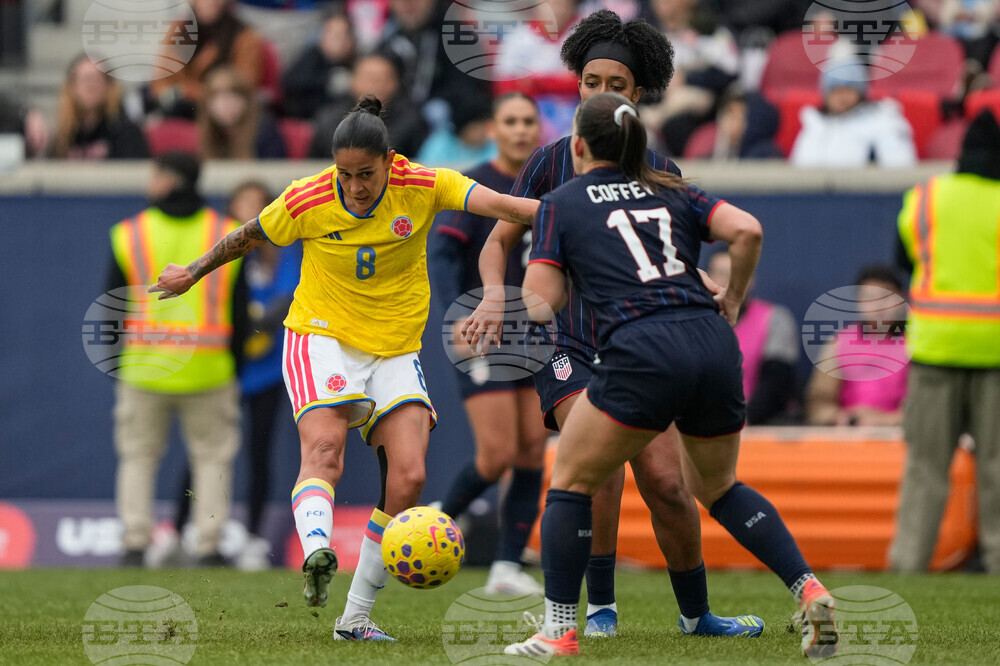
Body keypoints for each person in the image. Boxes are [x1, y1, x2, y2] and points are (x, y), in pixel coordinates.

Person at [148, 94, 542, 641]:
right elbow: (247, 236)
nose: (355, 186)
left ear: (390, 162)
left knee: (409, 476)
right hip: (321, 337)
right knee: (325, 451)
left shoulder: (424, 186)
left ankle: (355, 618)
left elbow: (505, 206)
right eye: (346, 173)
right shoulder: (307, 198)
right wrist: (192, 272)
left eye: (367, 173)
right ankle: (317, 552)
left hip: (395, 347)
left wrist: (581, 219)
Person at [504, 92, 838, 659]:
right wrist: (732, 297)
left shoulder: (562, 201)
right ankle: (809, 588)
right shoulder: (671, 187)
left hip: (640, 349)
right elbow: (749, 231)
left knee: (570, 482)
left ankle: (559, 630)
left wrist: (523, 297)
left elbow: (542, 301)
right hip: (712, 344)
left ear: (578, 145)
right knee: (719, 487)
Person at [464, 9, 760, 640]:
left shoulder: (662, 173)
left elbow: (670, 269)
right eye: (590, 80)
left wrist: (708, 288)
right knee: (592, 466)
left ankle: (696, 614)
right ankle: (598, 609)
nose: (600, 93)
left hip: (639, 348)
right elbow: (496, 244)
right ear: (577, 84)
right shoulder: (548, 163)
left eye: (615, 85)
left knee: (665, 483)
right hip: (565, 343)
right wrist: (494, 296)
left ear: (638, 93)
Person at [429, 93, 548, 595]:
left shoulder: (549, 182)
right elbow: (442, 253)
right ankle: (433, 523)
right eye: (510, 121)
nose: (520, 130)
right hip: (481, 328)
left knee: (532, 450)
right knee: (496, 452)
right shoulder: (476, 184)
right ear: (493, 129)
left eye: (528, 121)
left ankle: (505, 567)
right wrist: (456, 314)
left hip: (534, 330)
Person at [107, 152, 248, 568]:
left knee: (138, 456)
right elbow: (239, 313)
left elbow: (112, 307)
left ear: (169, 178)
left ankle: (135, 542)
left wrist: (120, 362)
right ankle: (208, 545)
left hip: (143, 368)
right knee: (213, 458)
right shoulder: (225, 232)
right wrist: (233, 366)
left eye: (155, 174)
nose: (150, 180)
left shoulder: (130, 233)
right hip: (209, 369)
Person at [889, 109, 1000, 574]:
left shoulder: (927, 196)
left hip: (935, 349)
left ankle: (909, 564)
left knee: (926, 468)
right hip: (995, 353)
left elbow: (903, 259)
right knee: (996, 466)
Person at [806, 265, 909, 427]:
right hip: (846, 438)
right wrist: (841, 417)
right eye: (869, 298)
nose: (877, 306)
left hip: (898, 437)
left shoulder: (916, 345)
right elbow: (819, 401)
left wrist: (884, 421)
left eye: (886, 297)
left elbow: (924, 408)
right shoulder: (839, 342)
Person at [707, 250, 798, 424]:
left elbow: (775, 382)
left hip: (756, 425)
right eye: (720, 273)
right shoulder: (690, 322)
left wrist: (743, 419)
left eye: (736, 274)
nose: (727, 281)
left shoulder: (775, 319)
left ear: (751, 279)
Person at [789, 53, 917, 169]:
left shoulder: (883, 122)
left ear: (860, 93)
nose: (842, 97)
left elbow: (900, 169)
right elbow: (798, 170)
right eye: (835, 91)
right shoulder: (815, 124)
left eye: (848, 90)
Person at [151, 0, 263, 118]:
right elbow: (161, 79)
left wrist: (188, 91)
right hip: (181, 101)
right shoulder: (179, 29)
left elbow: (243, 85)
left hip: (221, 107)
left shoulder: (243, 36)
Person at [309, 52, 428, 160]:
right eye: (371, 79)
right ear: (353, 81)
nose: (378, 85)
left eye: (385, 79)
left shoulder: (411, 120)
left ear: (396, 84)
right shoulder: (328, 119)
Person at [50, 55, 148, 159]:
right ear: (71, 87)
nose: (91, 86)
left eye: (96, 79)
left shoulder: (127, 133)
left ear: (108, 86)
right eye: (85, 79)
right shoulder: (63, 137)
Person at [196, 67, 286, 160]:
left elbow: (275, 170)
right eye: (216, 97)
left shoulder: (265, 133)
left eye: (233, 96)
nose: (225, 104)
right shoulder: (207, 134)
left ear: (247, 101)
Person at [281, 10, 356, 120]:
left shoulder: (356, 63)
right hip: (307, 118)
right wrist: (327, 80)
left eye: (344, 36)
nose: (340, 42)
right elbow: (289, 82)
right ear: (322, 37)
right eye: (334, 35)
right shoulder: (312, 56)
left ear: (352, 41)